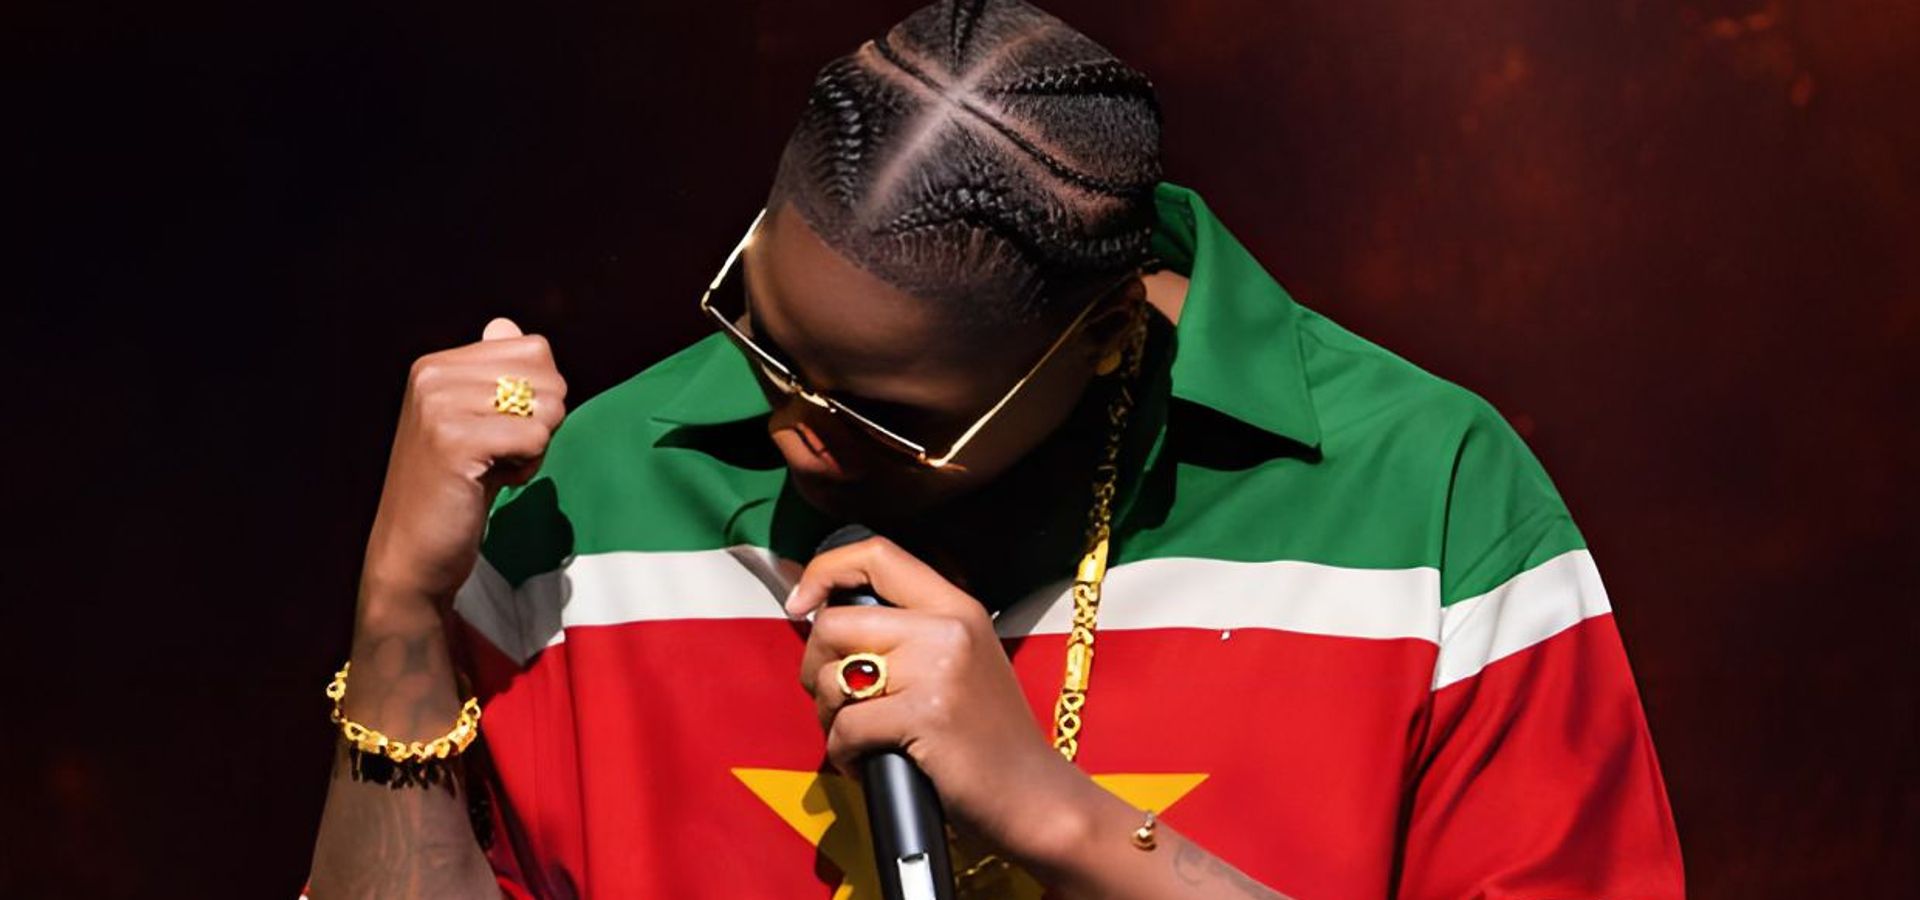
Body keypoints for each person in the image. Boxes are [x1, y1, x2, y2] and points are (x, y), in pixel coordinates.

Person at [305, 1, 1684, 897]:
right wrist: (400, 615)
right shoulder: (595, 491)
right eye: (763, 336)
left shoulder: (1427, 499)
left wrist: (1062, 820)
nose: (790, 430)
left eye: (889, 416)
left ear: (1104, 335)